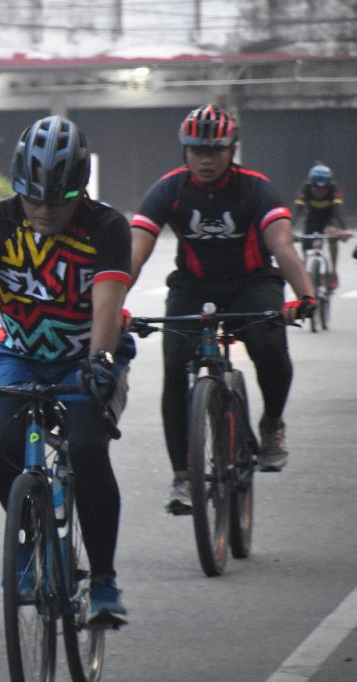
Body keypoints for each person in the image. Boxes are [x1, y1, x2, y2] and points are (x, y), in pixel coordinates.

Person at [0, 115, 133, 625]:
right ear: (17, 186)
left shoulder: (107, 226)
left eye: (58, 200)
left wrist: (101, 362)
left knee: (87, 449)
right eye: (33, 198)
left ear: (80, 190)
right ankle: (29, 541)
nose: (45, 211)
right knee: (3, 444)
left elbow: (108, 304)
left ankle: (105, 579)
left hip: (85, 355)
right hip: (19, 353)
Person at [131, 104, 316, 513]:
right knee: (174, 366)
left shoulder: (255, 187)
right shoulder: (170, 188)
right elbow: (136, 250)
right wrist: (110, 303)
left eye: (215, 150)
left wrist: (304, 295)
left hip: (252, 282)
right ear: (185, 151)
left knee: (270, 347)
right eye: (197, 150)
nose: (205, 159)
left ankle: (271, 423)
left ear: (232, 150)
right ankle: (182, 476)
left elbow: (282, 245)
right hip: (193, 287)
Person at [293, 163, 351, 287]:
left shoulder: (334, 190)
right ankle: (308, 274)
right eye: (316, 188)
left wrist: (344, 230)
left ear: (328, 185)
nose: (319, 191)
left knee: (332, 234)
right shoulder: (305, 189)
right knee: (305, 245)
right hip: (312, 219)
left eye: (323, 188)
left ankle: (333, 272)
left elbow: (338, 211)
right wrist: (288, 229)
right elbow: (297, 211)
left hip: (329, 219)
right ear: (311, 184)